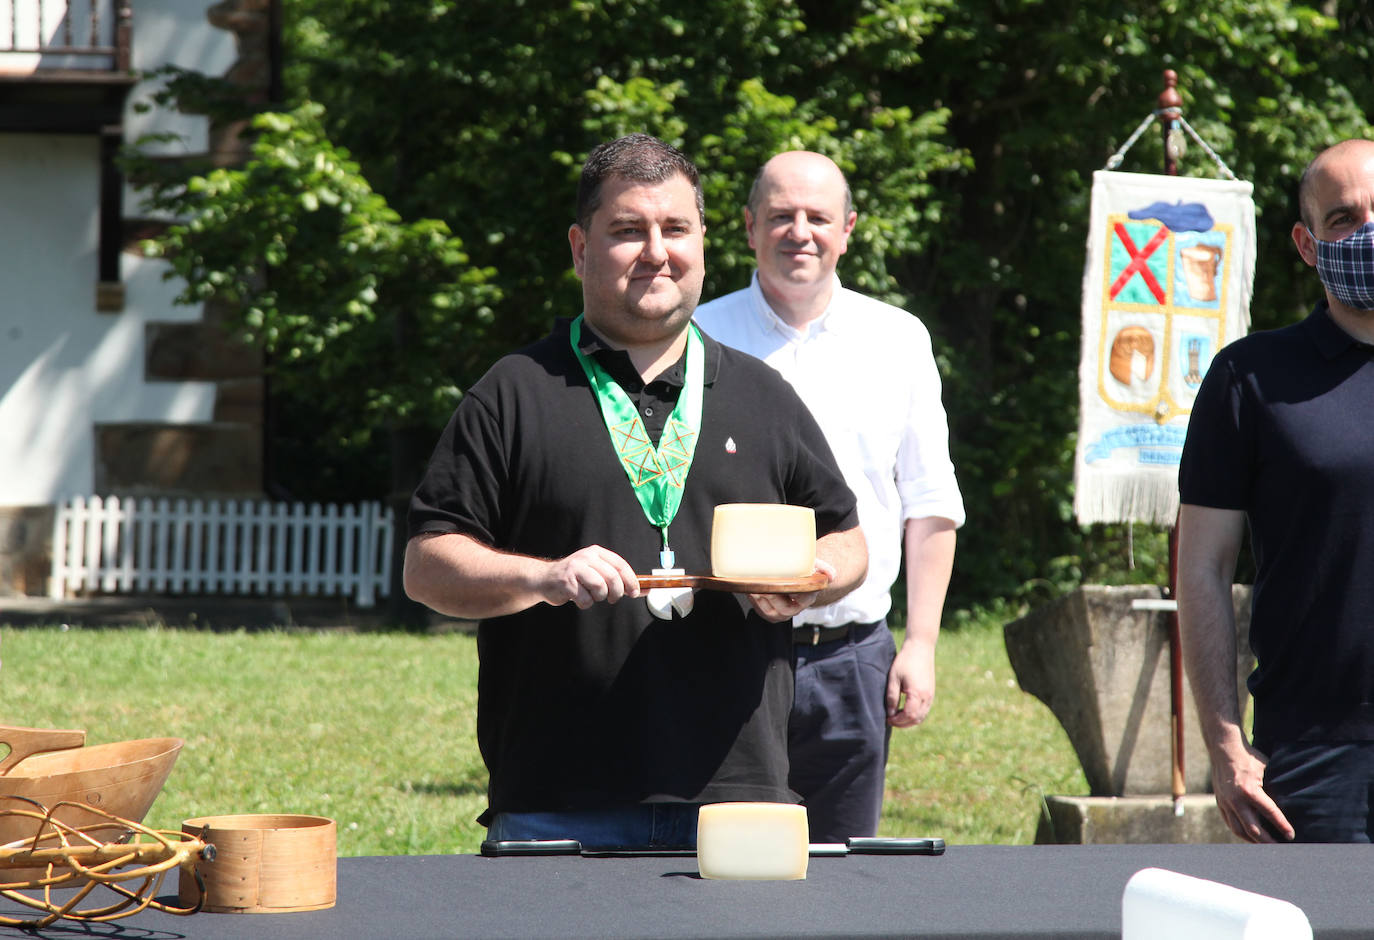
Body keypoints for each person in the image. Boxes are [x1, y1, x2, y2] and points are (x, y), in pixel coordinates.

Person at [403, 134, 867, 851]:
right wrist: (544, 576)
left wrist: (817, 578)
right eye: (627, 231)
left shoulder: (764, 396)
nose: (657, 251)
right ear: (580, 247)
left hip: (738, 803)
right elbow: (428, 565)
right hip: (555, 801)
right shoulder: (514, 393)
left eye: (675, 229)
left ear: (705, 241)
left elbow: (848, 539)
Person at [694, 151, 964, 843]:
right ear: (749, 227)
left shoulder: (898, 340)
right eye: (780, 216)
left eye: (817, 217)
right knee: (724, 868)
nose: (800, 232)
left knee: (847, 877)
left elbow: (930, 501)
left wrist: (923, 643)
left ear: (848, 229)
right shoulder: (698, 338)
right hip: (724, 652)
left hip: (854, 658)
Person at [1178, 138, 1374, 843]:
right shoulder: (1250, 379)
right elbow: (1200, 571)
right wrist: (1226, 746)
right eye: (1345, 219)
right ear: (1307, 243)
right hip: (1315, 756)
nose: (1368, 231)